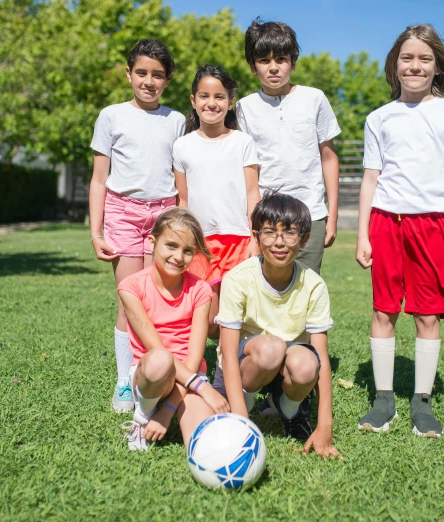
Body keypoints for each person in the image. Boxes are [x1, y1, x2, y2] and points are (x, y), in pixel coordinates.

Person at [356, 24, 444, 438]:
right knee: (383, 310)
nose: (415, 65)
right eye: (407, 58)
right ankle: (384, 399)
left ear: (437, 66)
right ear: (395, 65)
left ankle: (422, 404)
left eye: (425, 58)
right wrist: (362, 234)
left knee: (428, 313)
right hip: (386, 222)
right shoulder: (379, 118)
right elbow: (370, 179)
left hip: (434, 225)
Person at [89, 40, 186, 414]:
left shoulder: (176, 120)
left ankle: (154, 372)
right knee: (130, 298)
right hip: (123, 213)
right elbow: (99, 179)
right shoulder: (111, 116)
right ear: (128, 73)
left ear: (168, 79)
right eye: (142, 73)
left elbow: (181, 178)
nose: (149, 81)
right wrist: (96, 234)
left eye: (158, 75)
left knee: (158, 297)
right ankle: (125, 380)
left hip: (163, 215)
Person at [211, 192, 340, 459]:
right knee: (271, 347)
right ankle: (243, 411)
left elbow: (322, 360)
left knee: (307, 363)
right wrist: (239, 419)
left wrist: (324, 425)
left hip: (285, 365)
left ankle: (289, 410)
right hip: (246, 364)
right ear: (256, 236)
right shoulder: (238, 279)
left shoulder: (314, 285)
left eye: (290, 233)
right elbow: (227, 349)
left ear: (304, 239)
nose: (279, 243)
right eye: (269, 232)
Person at [118, 208, 230, 451]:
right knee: (160, 360)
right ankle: (143, 416)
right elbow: (157, 351)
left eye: (188, 251)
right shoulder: (131, 287)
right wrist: (203, 388)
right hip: (151, 376)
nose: (178, 257)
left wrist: (168, 410)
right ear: (152, 242)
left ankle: (165, 411)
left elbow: (193, 358)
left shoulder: (200, 289)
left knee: (205, 444)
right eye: (171, 245)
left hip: (188, 378)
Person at [235, 18, 341, 275]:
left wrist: (332, 216)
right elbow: (248, 170)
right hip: (266, 216)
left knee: (305, 291)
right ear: (252, 66)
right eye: (264, 60)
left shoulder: (314, 98)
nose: (273, 68)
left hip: (311, 214)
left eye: (281, 59)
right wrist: (252, 222)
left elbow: (328, 157)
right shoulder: (244, 108)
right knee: (267, 292)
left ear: (292, 62)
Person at [173, 64, 261, 335]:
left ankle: (232, 372)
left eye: (219, 97)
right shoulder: (182, 145)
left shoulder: (243, 142)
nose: (211, 103)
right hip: (200, 244)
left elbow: (252, 193)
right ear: (193, 100)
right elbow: (183, 200)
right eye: (204, 96)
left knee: (236, 317)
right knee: (207, 319)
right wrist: (182, 241)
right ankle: (197, 368)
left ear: (231, 102)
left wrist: (255, 238)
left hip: (239, 242)